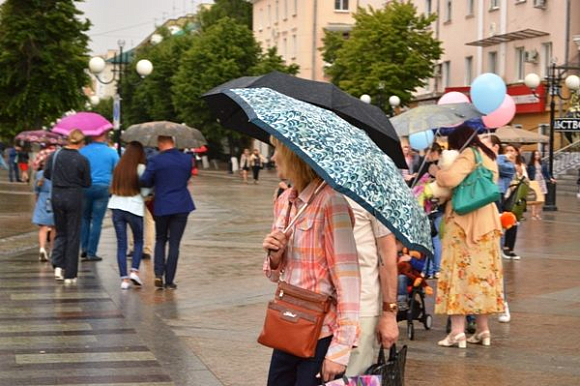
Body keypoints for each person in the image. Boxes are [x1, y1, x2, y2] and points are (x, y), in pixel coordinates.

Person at [262, 137, 360, 385]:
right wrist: (275, 256)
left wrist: (339, 351)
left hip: (321, 332)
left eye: (278, 150)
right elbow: (274, 275)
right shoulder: (284, 202)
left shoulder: (332, 203)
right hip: (287, 325)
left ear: (296, 156)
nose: (273, 158)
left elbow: (348, 281)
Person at [433, 125, 504, 348]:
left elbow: (451, 179)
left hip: (464, 224)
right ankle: (483, 331)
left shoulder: (468, 154)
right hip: (488, 224)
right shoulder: (489, 156)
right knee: (482, 278)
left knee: (458, 275)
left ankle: (457, 332)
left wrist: (438, 172)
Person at [344, 198, 398, 377]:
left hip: (361, 307)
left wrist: (389, 314)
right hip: (322, 306)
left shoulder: (374, 197)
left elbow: (388, 257)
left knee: (352, 377)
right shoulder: (317, 190)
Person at [140, 136, 195, 290]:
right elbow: (187, 177)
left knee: (160, 239)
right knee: (175, 243)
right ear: (173, 142)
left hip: (162, 204)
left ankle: (158, 274)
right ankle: (170, 280)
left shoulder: (156, 160)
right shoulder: (186, 159)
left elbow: (145, 180)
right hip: (182, 204)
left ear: (161, 143)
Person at [44, 130, 91, 284]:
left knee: (60, 231)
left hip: (57, 196)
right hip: (74, 197)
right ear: (81, 142)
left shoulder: (55, 155)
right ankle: (70, 274)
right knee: (73, 234)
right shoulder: (82, 160)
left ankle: (58, 265)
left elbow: (47, 174)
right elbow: (87, 183)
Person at [108, 142, 150, 290]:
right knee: (138, 240)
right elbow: (145, 192)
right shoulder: (141, 168)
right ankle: (134, 271)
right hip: (134, 207)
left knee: (121, 244)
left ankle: (124, 280)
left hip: (117, 206)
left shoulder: (119, 168)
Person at [79, 131, 119, 261]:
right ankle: (92, 252)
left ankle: (84, 248)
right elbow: (117, 170)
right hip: (102, 188)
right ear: (104, 137)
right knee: (97, 221)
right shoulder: (111, 152)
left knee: (84, 218)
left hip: (85, 187)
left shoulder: (82, 151)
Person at [501, 144, 522, 260]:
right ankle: (503, 247)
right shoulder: (502, 165)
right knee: (505, 220)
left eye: (512, 150)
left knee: (514, 222)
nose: (509, 152)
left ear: (516, 153)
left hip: (515, 197)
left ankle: (510, 248)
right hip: (505, 196)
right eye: (507, 150)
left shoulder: (518, 165)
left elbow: (523, 178)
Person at [32, 161, 55, 262]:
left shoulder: (39, 174)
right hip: (55, 198)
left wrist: (37, 201)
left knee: (43, 227)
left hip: (42, 199)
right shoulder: (59, 173)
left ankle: (42, 248)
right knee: (54, 227)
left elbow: (36, 189)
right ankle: (52, 250)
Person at [527, 150, 554, 220]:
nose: (537, 156)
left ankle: (537, 213)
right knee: (534, 198)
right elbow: (528, 174)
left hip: (541, 180)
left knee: (541, 198)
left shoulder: (543, 163)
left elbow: (546, 172)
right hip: (534, 181)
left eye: (538, 155)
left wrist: (550, 178)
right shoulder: (530, 165)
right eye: (535, 155)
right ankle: (533, 214)